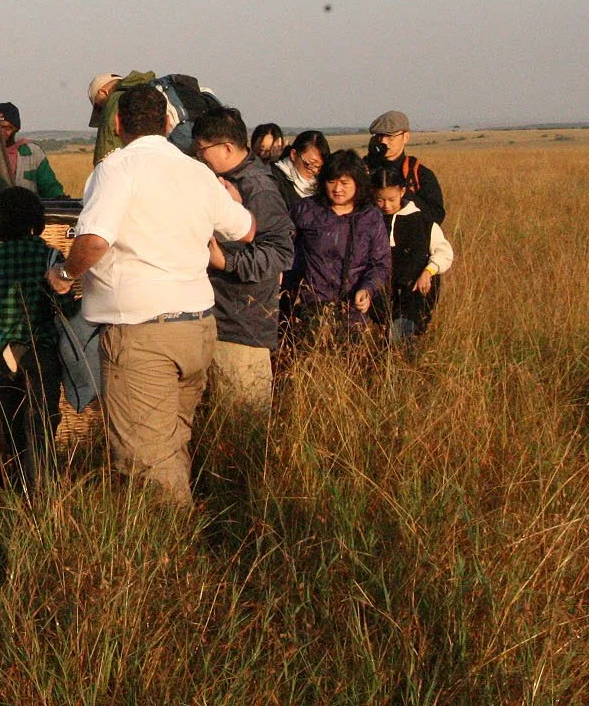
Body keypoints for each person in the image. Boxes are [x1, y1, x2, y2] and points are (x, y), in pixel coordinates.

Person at [45, 83, 256, 505]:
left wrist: (65, 273)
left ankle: (173, 556)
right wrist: (229, 194)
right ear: (167, 123)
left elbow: (96, 240)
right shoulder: (197, 171)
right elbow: (246, 229)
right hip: (197, 330)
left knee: (148, 462)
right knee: (173, 442)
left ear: (118, 123)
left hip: (143, 336)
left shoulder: (116, 169)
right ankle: (185, 538)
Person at [0, 185, 73, 491]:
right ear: (36, 219)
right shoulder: (50, 255)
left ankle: (13, 482)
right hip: (42, 351)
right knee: (42, 420)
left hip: (3, 353)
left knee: (11, 421)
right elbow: (65, 306)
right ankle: (42, 485)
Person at [190, 108, 295, 413]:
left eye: (202, 150)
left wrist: (227, 262)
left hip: (242, 328)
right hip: (216, 320)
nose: (199, 157)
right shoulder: (220, 180)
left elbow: (280, 252)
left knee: (241, 423)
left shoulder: (258, 188)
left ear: (226, 148)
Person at [289, 150, 392, 348]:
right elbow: (284, 249)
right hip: (311, 308)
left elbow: (381, 263)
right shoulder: (306, 210)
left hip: (353, 310)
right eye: (332, 181)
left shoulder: (370, 217)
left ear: (357, 184)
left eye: (345, 183)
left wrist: (367, 289)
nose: (338, 189)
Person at [375, 164, 454, 353]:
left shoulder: (423, 222)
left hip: (414, 294)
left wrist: (428, 272)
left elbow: (444, 252)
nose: (386, 205)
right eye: (379, 200)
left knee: (402, 339)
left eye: (391, 199)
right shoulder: (370, 221)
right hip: (379, 296)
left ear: (402, 191)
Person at [0, 103, 69, 201]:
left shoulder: (34, 153)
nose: (2, 132)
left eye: (8, 128)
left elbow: (49, 186)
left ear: (16, 129)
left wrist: (59, 197)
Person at [366, 110, 446, 224]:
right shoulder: (363, 169)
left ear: (405, 137)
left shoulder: (420, 174)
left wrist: (402, 192)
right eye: (379, 136)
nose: (383, 142)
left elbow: (436, 217)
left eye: (390, 137)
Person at [275, 130, 330, 200]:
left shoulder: (323, 185)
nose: (315, 170)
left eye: (320, 167)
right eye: (310, 164)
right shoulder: (275, 180)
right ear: (294, 155)